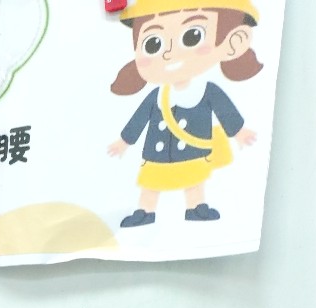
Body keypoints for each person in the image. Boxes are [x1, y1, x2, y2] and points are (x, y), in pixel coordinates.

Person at [106, 0, 262, 228]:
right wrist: (124, 141)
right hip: (157, 154)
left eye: (192, 37)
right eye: (153, 44)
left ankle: (196, 207)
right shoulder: (158, 95)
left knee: (194, 181)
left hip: (193, 152)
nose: (169, 53)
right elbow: (139, 119)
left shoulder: (206, 91)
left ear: (231, 42)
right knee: (151, 184)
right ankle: (145, 211)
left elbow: (225, 111)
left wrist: (239, 131)